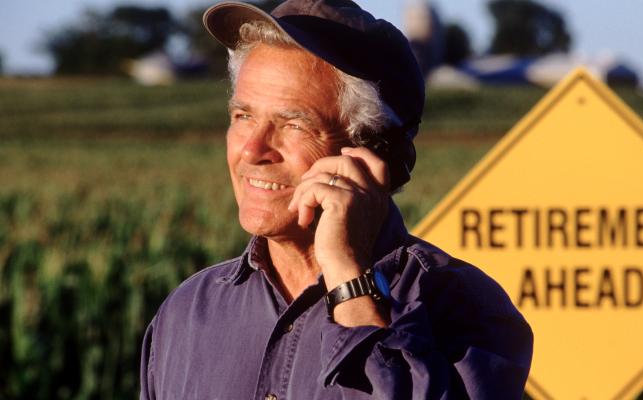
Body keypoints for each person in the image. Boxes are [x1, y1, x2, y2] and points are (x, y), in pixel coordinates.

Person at [139, 1, 533, 399]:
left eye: (293, 124)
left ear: (371, 152)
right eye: (243, 116)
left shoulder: (461, 308)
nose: (253, 150)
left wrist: (349, 278)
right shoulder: (188, 312)